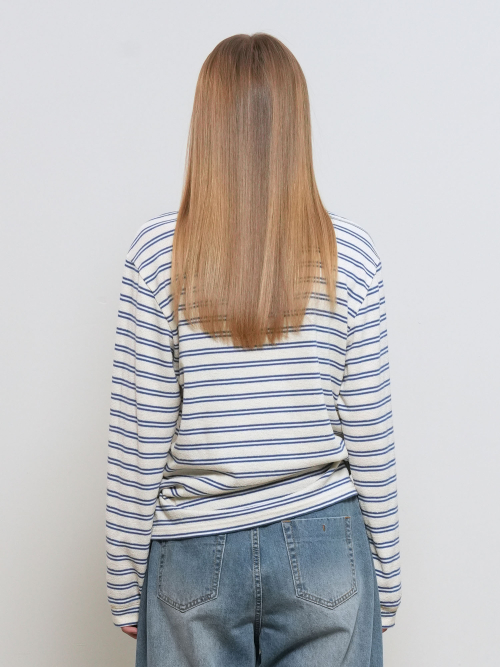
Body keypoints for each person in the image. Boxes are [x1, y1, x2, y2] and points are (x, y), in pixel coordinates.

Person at [105, 32, 401, 666]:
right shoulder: (351, 256)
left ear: (205, 125)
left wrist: (124, 583)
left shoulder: (157, 255)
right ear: (298, 126)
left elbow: (138, 437)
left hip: (193, 548)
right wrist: (387, 574)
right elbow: (370, 434)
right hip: (328, 543)